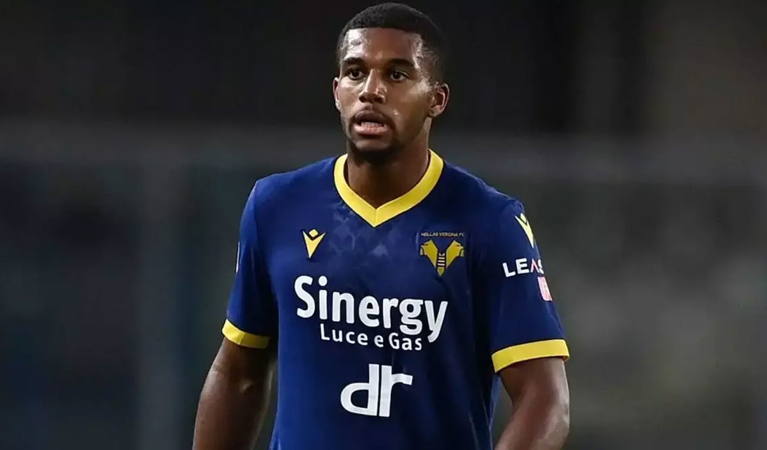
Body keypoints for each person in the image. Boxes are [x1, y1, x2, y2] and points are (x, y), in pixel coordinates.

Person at [193, 3, 570, 449]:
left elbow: (545, 400)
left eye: (397, 74)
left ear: (436, 99)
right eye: (356, 72)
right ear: (337, 91)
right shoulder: (276, 206)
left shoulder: (489, 222)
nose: (371, 90)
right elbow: (238, 374)